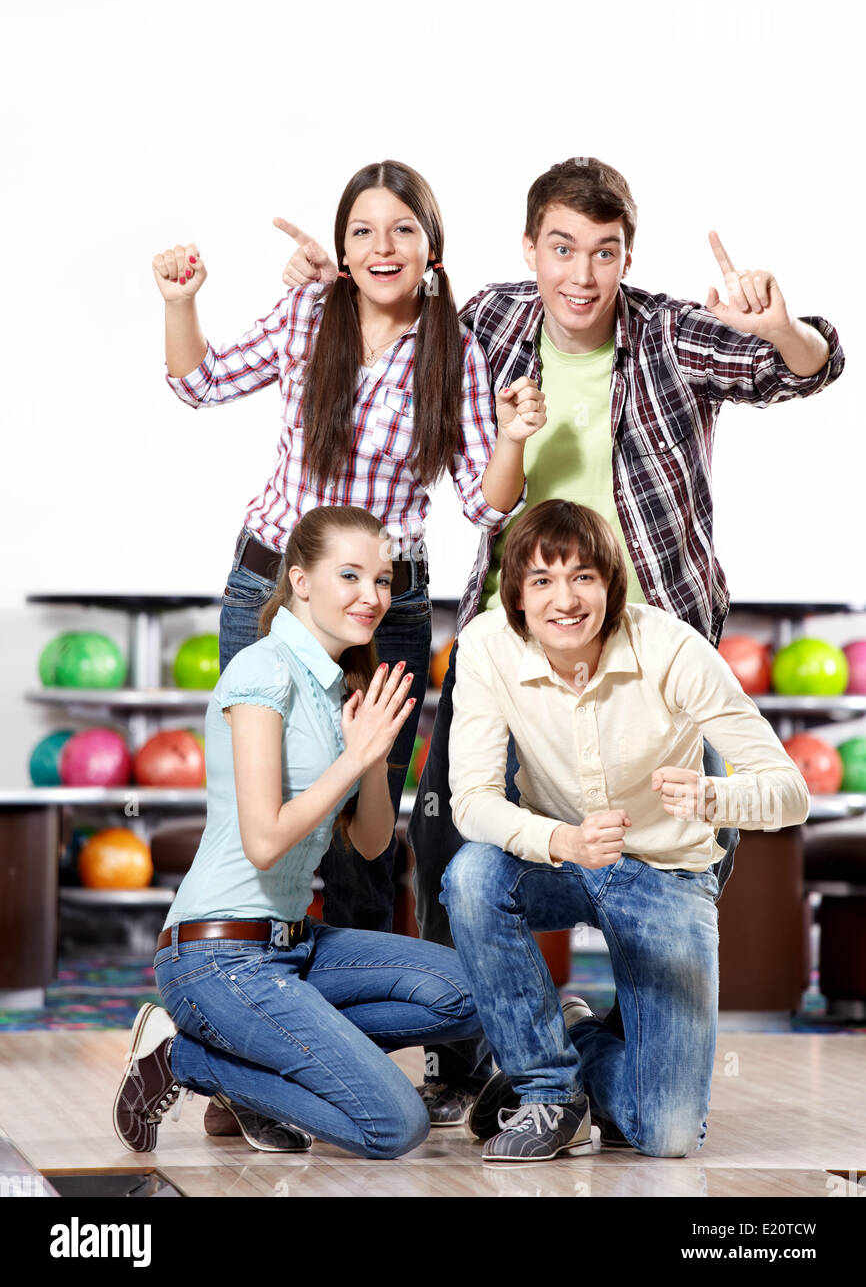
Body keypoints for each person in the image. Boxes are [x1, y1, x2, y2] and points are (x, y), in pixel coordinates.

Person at [280, 155, 844, 1122]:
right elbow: (395, 302)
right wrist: (328, 284)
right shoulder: (492, 321)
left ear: (628, 257)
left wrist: (780, 325)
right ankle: (478, 1054)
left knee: (683, 855)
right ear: (531, 250)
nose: (582, 275)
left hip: (651, 643)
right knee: (449, 836)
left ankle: (625, 1037)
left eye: (605, 253)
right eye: (562, 249)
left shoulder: (665, 334)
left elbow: (802, 368)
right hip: (513, 643)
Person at [154, 158, 544, 942]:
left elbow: (485, 504)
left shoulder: (454, 353)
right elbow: (201, 381)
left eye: (402, 229)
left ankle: (353, 1026)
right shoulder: (308, 314)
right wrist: (182, 302)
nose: (382, 245)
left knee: (364, 834)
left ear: (432, 248)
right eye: (362, 231)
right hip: (270, 594)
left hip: (381, 609)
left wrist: (512, 439)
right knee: (257, 806)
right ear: (342, 247)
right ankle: (233, 992)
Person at [439, 500, 810, 1162]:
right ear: (517, 596)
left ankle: (571, 1036)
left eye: (583, 577)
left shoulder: (671, 646)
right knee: (470, 875)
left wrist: (713, 796)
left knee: (667, 1136)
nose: (565, 599)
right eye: (543, 581)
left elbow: (791, 791)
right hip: (560, 859)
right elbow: (471, 801)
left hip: (666, 874)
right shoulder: (487, 647)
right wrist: (561, 841)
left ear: (610, 585)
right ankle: (547, 1089)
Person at [113, 505, 483, 1160]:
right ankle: (187, 1058)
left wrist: (370, 760)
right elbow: (264, 840)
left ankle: (252, 1058)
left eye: (382, 580)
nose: (371, 597)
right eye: (350, 576)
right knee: (395, 1125)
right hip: (215, 957)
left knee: (472, 991)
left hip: (296, 948)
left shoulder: (338, 684)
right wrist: (351, 755)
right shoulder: (264, 671)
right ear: (301, 581)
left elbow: (370, 845)